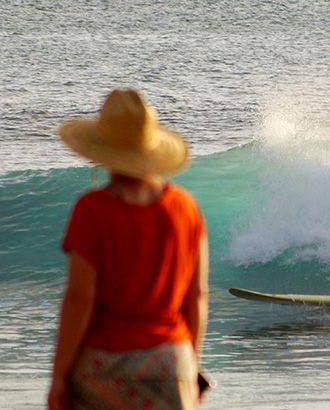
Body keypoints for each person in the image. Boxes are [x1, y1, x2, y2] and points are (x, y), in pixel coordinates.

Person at [48, 88, 209, 409]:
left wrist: (59, 376)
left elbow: (80, 299)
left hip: (106, 364)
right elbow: (197, 296)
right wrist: (188, 366)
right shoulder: (185, 208)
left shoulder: (93, 210)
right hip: (170, 362)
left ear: (104, 149)